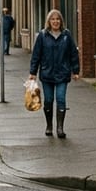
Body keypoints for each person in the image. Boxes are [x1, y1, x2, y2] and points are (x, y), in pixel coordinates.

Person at [28, 9, 80, 138]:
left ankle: (60, 128)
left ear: (61, 21)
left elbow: (73, 54)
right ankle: (49, 126)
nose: (55, 22)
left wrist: (75, 71)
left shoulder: (66, 36)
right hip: (47, 74)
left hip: (62, 73)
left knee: (61, 99)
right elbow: (36, 55)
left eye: (57, 19)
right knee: (49, 100)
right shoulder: (42, 35)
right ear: (49, 21)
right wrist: (32, 72)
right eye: (53, 19)